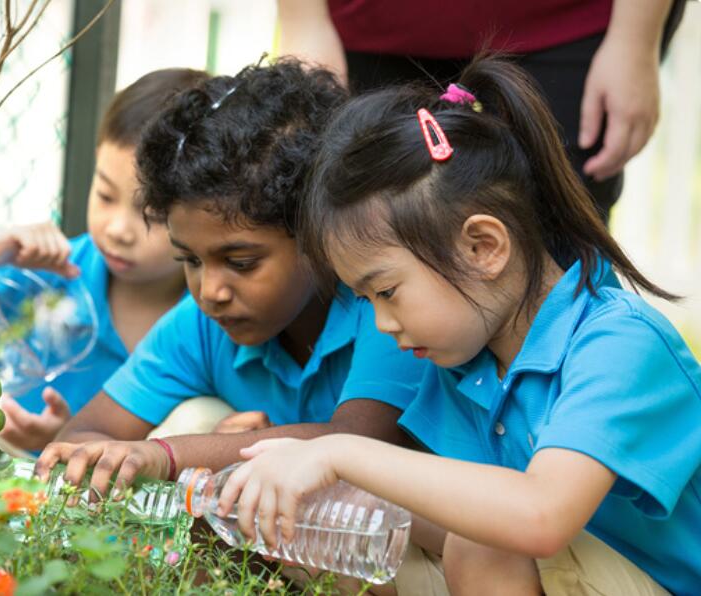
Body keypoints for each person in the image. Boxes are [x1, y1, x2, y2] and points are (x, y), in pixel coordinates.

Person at [216, 57, 701, 595]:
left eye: (388, 292)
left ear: (483, 247)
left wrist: (337, 452)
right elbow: (444, 518)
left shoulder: (619, 343)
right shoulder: (469, 364)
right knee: (345, 539)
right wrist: (309, 490)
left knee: (486, 541)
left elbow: (540, 516)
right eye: (365, 300)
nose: (382, 325)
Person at [33, 60, 428, 499]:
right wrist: (193, 450)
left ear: (316, 232)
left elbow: (357, 441)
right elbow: (86, 432)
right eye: (190, 260)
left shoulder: (383, 304)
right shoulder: (202, 326)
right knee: (197, 420)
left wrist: (171, 455)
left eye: (241, 262)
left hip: (422, 543)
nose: (210, 291)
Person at [0, 68, 208, 453]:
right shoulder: (45, 273)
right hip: (2, 487)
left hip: (135, 505)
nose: (119, 228)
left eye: (152, 215)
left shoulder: (216, 313)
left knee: (207, 415)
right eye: (105, 195)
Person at [276, 0, 688, 222]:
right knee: (370, 240)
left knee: (557, 249)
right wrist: (303, 16)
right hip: (369, 28)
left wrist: (636, 39)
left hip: (566, 24)